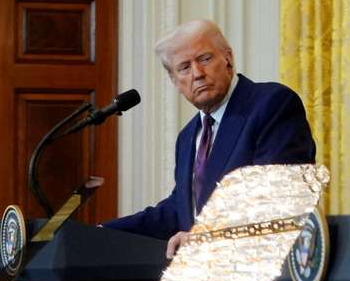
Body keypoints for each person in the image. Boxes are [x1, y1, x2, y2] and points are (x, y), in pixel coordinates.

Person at [103, 20, 316, 256]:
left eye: (204, 59)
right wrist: (102, 233)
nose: (197, 73)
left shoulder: (271, 104)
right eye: (184, 67)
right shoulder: (187, 137)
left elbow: (275, 194)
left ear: (228, 59)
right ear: (175, 82)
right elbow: (181, 210)